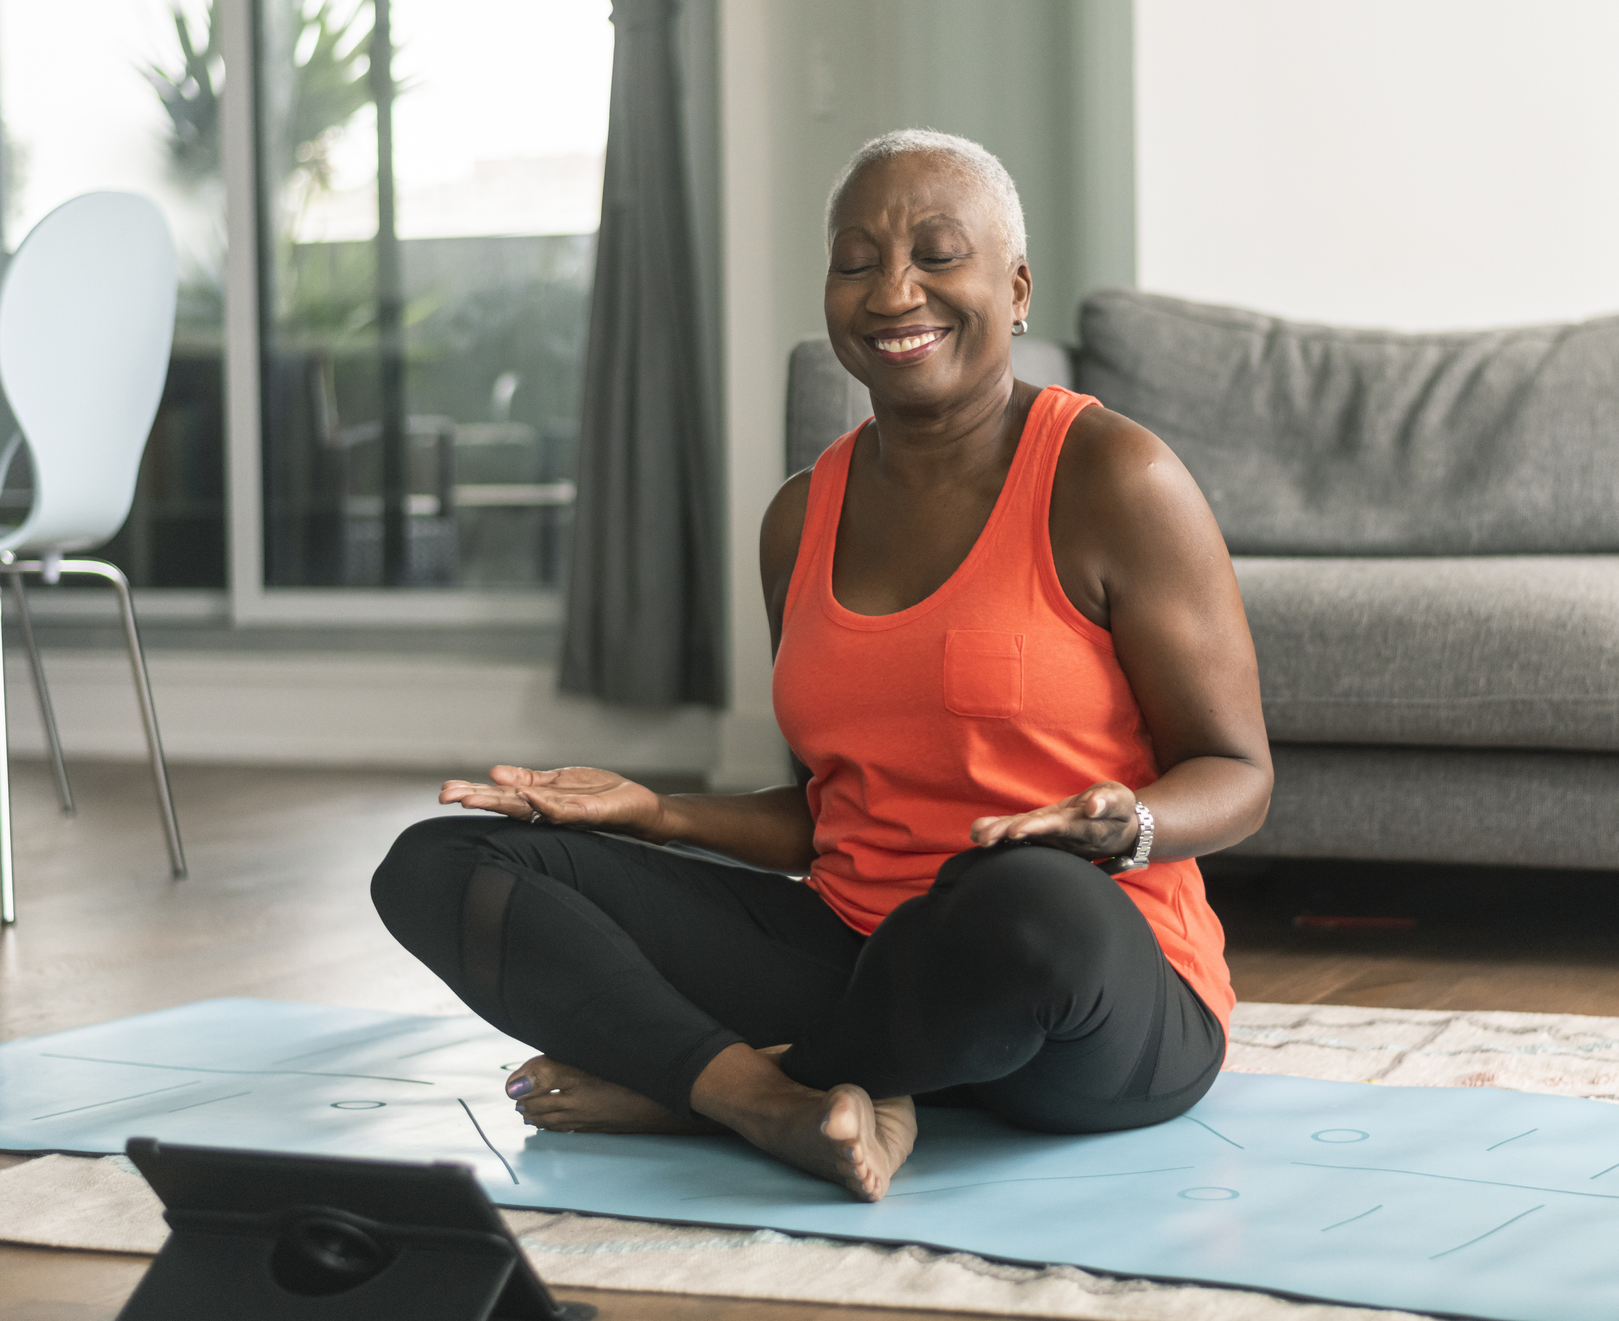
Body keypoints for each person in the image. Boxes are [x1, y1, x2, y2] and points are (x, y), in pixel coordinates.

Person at [371, 129, 1271, 1202]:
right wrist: (654, 812)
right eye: (857, 262)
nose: (895, 291)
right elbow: (826, 813)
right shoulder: (802, 514)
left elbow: (1238, 771)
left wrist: (1132, 827)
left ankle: (698, 1086)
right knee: (439, 865)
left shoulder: (1116, 474)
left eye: (938, 255)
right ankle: (768, 1100)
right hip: (854, 953)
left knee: (1026, 898)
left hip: (1089, 997)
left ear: (1017, 287)